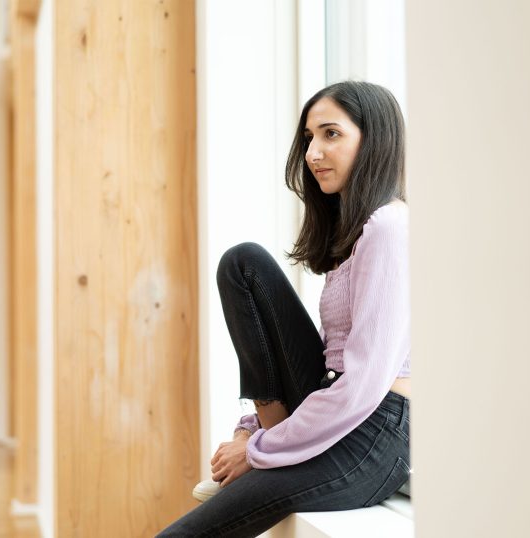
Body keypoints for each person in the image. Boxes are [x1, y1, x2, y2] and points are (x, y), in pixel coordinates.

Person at [157, 80, 411, 537]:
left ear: (374, 139)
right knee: (244, 263)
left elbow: (364, 384)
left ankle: (272, 442)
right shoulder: (356, 234)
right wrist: (254, 429)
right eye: (310, 137)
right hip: (335, 406)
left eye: (331, 134)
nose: (313, 153)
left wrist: (257, 448)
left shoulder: (389, 227)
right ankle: (274, 428)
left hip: (373, 434)